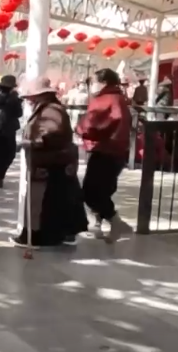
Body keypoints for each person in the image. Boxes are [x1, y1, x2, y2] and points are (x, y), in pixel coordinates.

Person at [17, 77, 88, 247]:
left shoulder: (51, 110)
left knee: (42, 201)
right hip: (55, 162)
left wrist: (33, 142)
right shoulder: (49, 108)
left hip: (49, 162)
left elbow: (52, 133)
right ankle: (60, 234)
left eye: (30, 96)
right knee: (58, 199)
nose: (28, 100)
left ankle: (38, 236)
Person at [77, 68, 134, 243]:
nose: (91, 85)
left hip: (105, 149)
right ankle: (107, 223)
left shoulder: (105, 99)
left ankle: (115, 222)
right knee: (102, 190)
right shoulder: (118, 98)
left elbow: (93, 124)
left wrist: (80, 128)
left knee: (91, 192)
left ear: (103, 82)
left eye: (93, 81)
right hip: (116, 150)